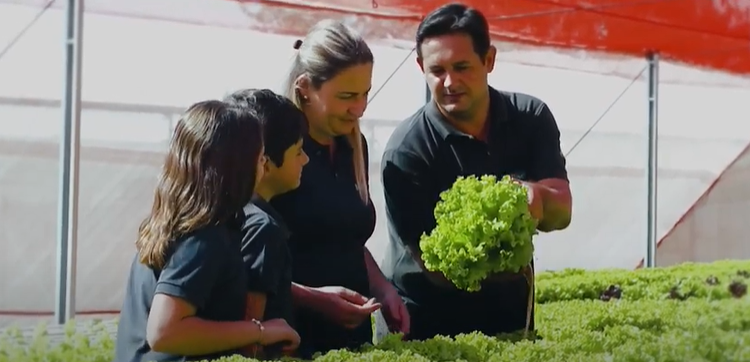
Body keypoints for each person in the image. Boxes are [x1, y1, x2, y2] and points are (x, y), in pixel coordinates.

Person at [380, 3, 573, 341]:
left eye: (462, 67)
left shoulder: (529, 117)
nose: (450, 82)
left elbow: (562, 212)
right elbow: (438, 268)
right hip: (426, 329)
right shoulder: (407, 150)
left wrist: (535, 199)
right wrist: (502, 251)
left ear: (489, 60)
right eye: (437, 70)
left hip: (509, 322)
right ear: (420, 67)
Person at [114, 100, 300, 362]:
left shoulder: (175, 222)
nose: (263, 167)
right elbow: (164, 331)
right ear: (239, 168)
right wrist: (261, 331)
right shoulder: (205, 237)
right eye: (259, 158)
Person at [269, 19, 410, 357]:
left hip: (352, 337)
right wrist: (316, 299)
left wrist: (383, 289)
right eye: (347, 96)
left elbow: (346, 237)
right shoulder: (271, 147)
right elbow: (237, 265)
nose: (359, 108)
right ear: (305, 87)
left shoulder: (352, 144)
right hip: (289, 338)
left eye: (365, 94)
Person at [222, 88, 309, 359]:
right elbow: (250, 337)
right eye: (298, 151)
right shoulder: (264, 228)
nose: (305, 159)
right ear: (266, 163)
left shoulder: (228, 212)